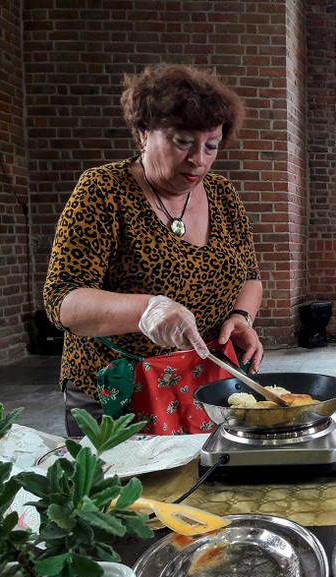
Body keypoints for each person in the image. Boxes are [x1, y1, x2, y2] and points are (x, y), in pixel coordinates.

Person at [44, 63, 264, 436]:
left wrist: (241, 317)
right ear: (143, 133)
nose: (199, 160)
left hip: (204, 382)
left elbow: (249, 278)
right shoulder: (103, 191)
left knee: (205, 489)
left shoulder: (223, 195)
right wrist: (147, 309)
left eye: (211, 146)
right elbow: (62, 300)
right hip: (117, 391)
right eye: (182, 142)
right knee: (128, 492)